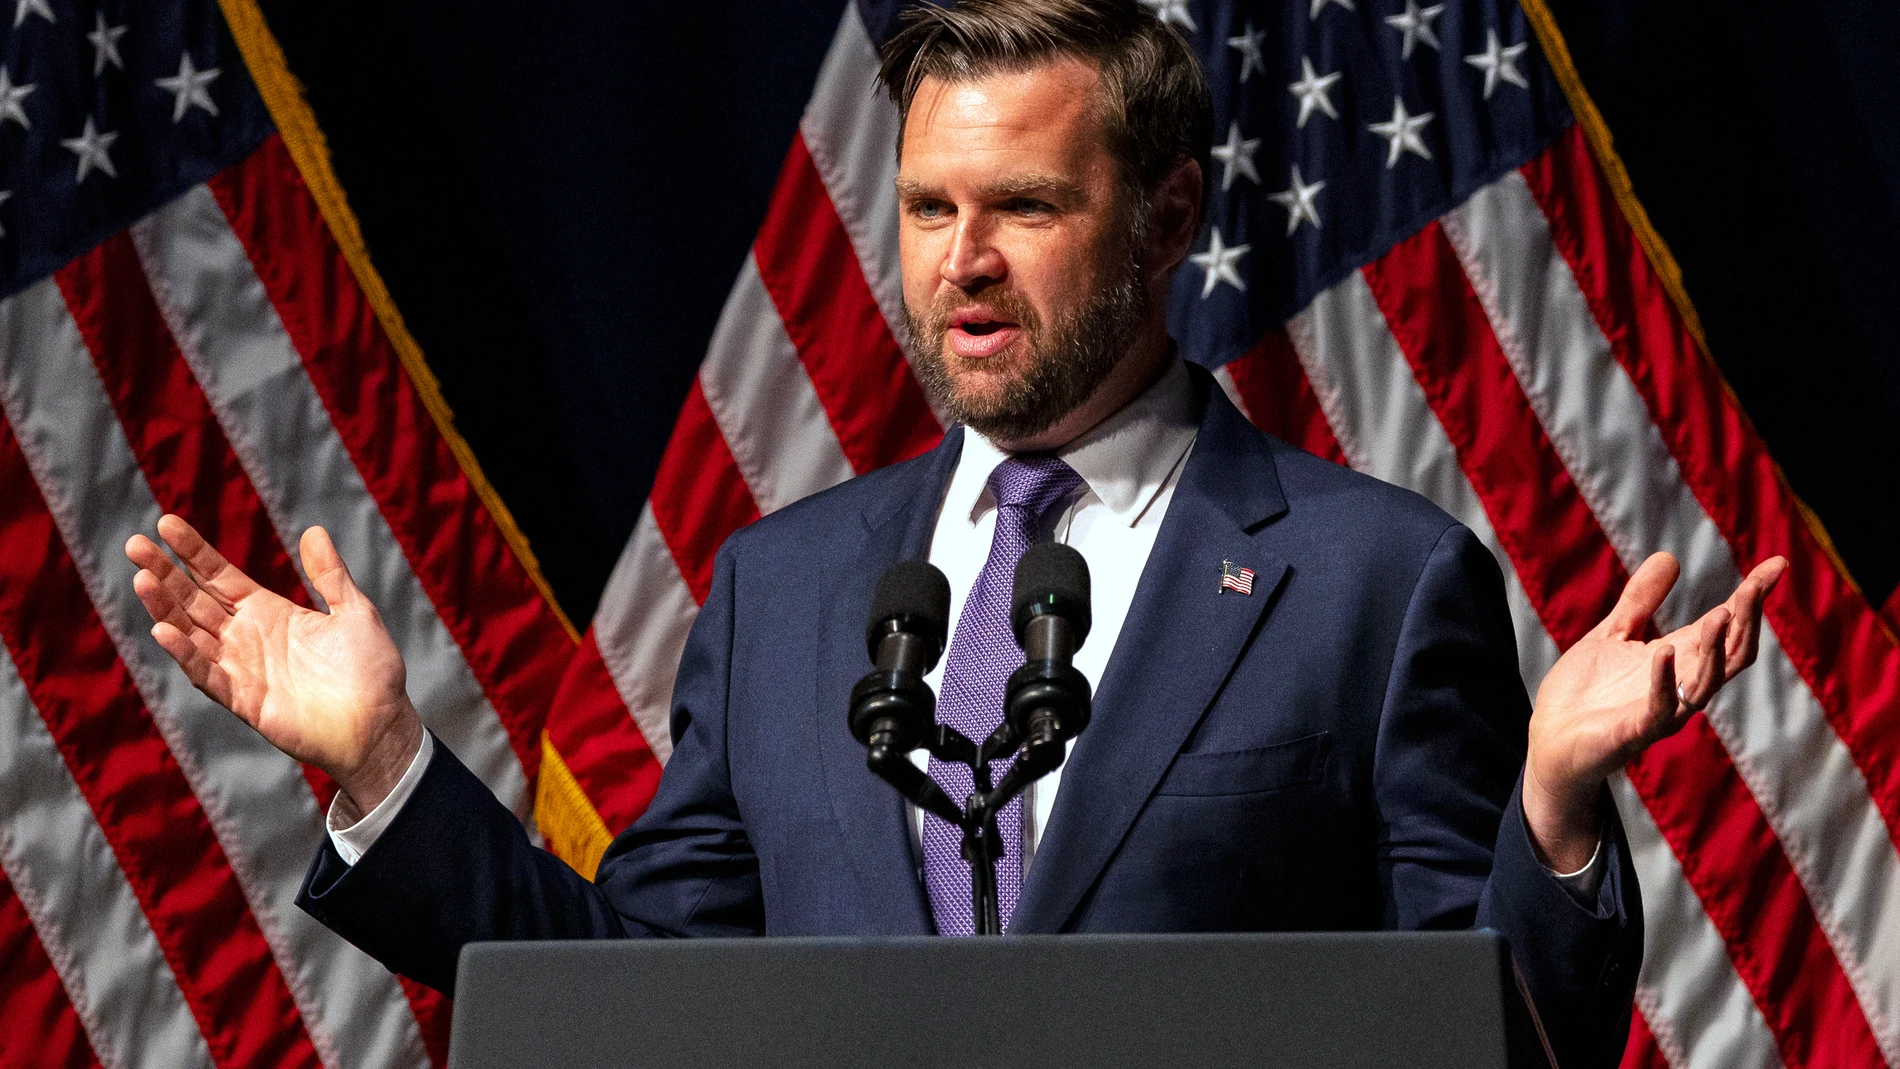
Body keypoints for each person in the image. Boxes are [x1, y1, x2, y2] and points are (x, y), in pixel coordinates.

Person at [124, 1, 1784, 1065]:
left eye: (1026, 207)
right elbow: (633, 1004)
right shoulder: (780, 594)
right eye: (928, 208)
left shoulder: (1376, 580)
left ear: (1170, 217)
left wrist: (1554, 810)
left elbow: (1499, 1037)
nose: (960, 261)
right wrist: (387, 769)